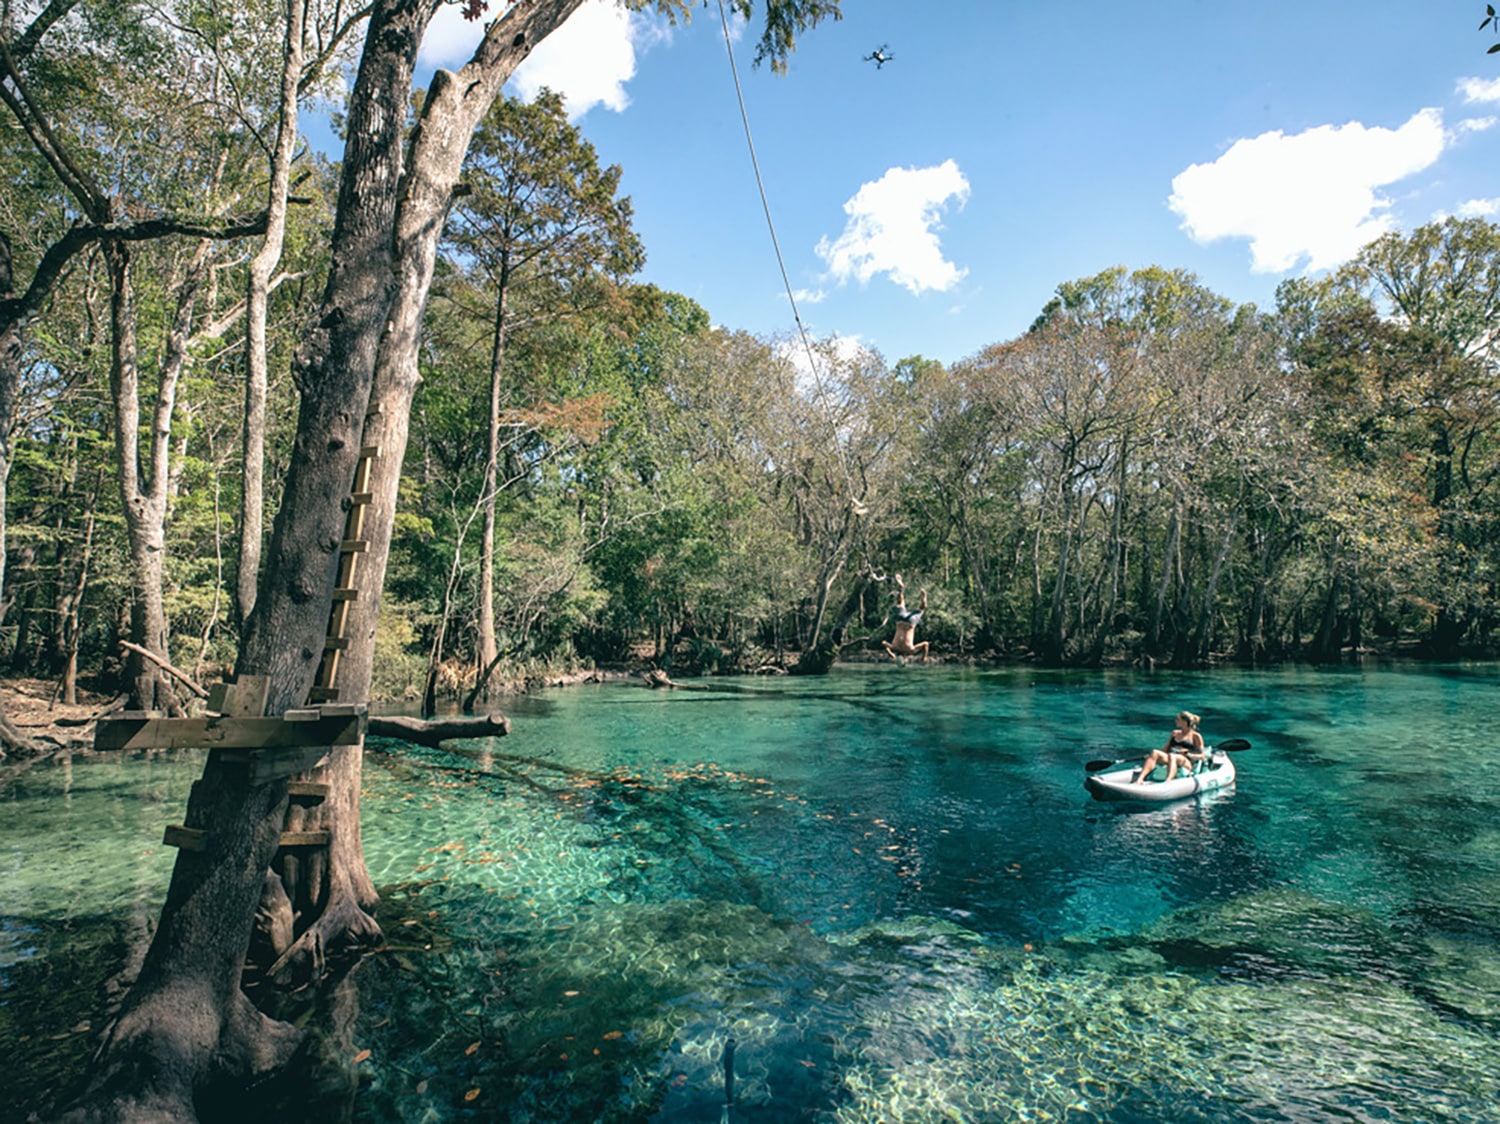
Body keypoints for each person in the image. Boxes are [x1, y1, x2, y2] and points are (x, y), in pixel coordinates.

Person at [1133, 710, 1205, 784]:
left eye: (1178, 719)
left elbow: (1202, 756)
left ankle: (1168, 781)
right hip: (1171, 758)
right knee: (1155, 752)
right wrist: (1152, 757)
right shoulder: (1175, 733)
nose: (1175, 721)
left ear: (1184, 722)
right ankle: (1140, 779)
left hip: (1186, 761)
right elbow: (1165, 750)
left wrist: (1188, 753)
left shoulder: (1196, 736)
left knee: (1172, 756)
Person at [881, 573, 930, 663]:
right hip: (900, 621)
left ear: (905, 658)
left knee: (921, 609)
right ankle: (901, 589)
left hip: (910, 623)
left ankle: (924, 596)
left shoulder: (911, 650)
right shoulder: (894, 647)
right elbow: (883, 643)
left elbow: (926, 644)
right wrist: (890, 653)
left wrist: (924, 657)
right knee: (900, 603)